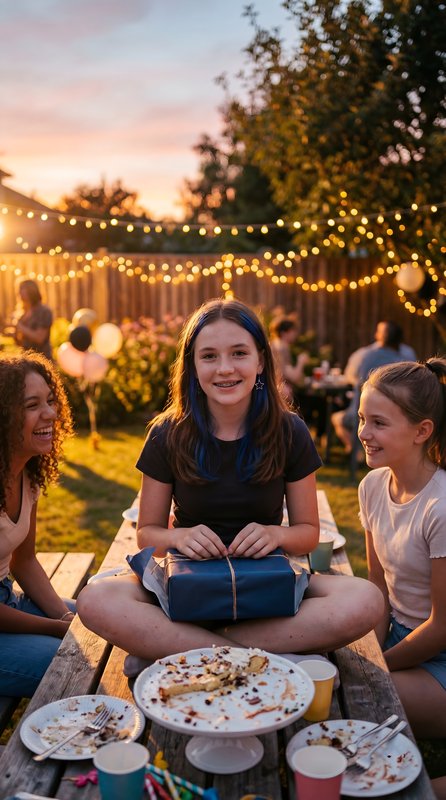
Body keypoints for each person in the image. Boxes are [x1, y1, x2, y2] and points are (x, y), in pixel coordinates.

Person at [77, 298, 383, 672]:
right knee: (94, 600)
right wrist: (176, 538)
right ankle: (268, 655)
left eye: (238, 353)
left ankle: (177, 650)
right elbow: (147, 535)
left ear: (260, 361)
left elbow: (307, 533)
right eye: (209, 356)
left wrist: (275, 535)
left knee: (366, 599)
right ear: (192, 365)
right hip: (187, 589)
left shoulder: (290, 431)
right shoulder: (166, 433)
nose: (224, 369)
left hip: (265, 589)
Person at [357, 358, 446, 740]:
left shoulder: (439, 508)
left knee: (360, 696)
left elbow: (442, 627)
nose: (363, 432)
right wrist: (372, 652)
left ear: (421, 431)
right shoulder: (372, 487)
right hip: (398, 636)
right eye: (362, 418)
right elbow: (378, 587)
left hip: (439, 656)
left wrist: (377, 667)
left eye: (379, 423)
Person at [0, 352, 75, 697]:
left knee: (98, 619)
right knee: (62, 658)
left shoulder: (28, 474)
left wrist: (63, 618)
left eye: (50, 400)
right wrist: (56, 630)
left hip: (7, 600)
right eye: (32, 405)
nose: (50, 413)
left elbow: (24, 562)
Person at [331, 320, 408, 456]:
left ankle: (356, 452)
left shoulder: (367, 356)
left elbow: (354, 381)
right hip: (398, 416)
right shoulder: (406, 359)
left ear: (382, 336)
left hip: (362, 415)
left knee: (337, 418)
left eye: (378, 331)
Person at [11, 278, 53, 359]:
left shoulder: (44, 311)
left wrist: (19, 326)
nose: (19, 292)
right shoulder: (21, 313)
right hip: (26, 359)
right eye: (18, 289)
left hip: (42, 360)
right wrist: (15, 334)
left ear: (32, 291)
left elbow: (39, 338)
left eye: (22, 289)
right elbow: (20, 343)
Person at [269, 316, 309, 402]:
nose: (295, 334)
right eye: (292, 331)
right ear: (284, 333)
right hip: (282, 395)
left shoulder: (274, 345)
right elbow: (294, 377)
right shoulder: (282, 348)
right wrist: (301, 362)